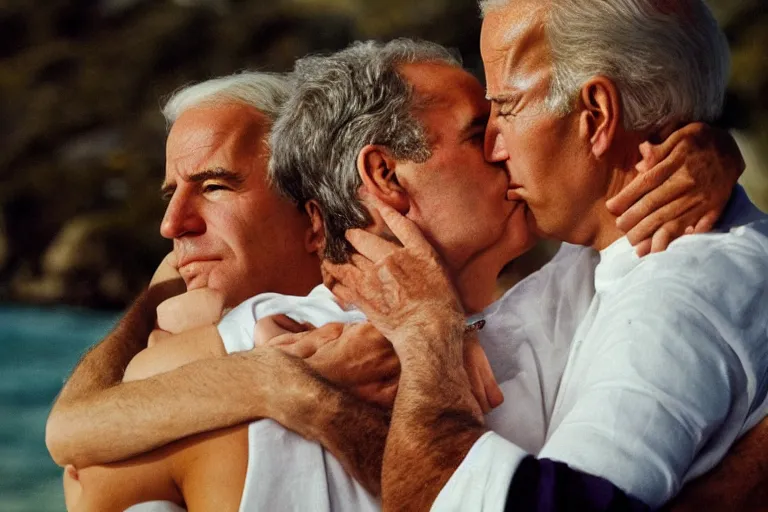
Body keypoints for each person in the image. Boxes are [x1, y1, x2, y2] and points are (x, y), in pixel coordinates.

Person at [52, 40, 754, 512]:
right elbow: (80, 464)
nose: (509, 148)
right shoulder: (264, 343)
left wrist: (706, 147)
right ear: (385, 176)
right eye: (483, 134)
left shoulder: (561, 292)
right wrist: (280, 383)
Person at [320, 2, 768, 511]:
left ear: (596, 115)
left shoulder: (676, 296)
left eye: (506, 107)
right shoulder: (598, 259)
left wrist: (427, 334)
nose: (493, 146)